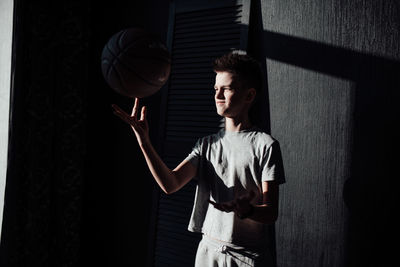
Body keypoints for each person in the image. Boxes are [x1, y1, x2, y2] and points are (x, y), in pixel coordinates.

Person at [112, 52, 285, 267]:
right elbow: (170, 184)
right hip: (208, 250)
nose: (218, 95)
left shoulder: (265, 145)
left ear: (249, 95)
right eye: (215, 89)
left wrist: (247, 210)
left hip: (247, 257)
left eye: (227, 88)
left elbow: (270, 212)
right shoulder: (206, 145)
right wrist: (144, 141)